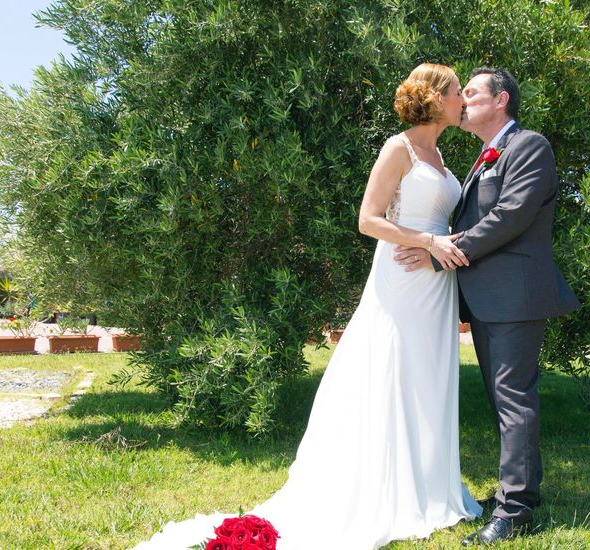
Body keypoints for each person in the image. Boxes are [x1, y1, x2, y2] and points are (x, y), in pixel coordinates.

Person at [133, 63, 482, 549]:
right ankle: (387, 489)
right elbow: (367, 219)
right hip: (402, 277)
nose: (463, 99)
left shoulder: (441, 154)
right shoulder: (397, 148)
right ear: (434, 97)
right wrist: (425, 239)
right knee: (394, 372)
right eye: (455, 91)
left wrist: (440, 247)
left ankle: (428, 485)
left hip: (435, 282)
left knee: (428, 378)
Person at [395, 67, 580, 545]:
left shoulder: (529, 146)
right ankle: (522, 497)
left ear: (501, 101)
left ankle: (514, 510)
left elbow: (510, 216)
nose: (464, 99)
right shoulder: (483, 155)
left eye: (471, 92)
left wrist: (441, 255)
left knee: (513, 399)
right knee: (505, 400)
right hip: (486, 300)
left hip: (515, 298)